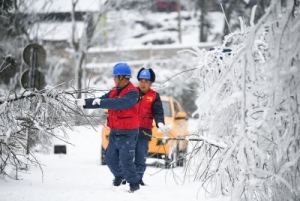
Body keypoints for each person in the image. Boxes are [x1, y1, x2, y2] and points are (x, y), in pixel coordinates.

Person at [75, 63, 140, 193]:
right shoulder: (113, 91)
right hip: (115, 132)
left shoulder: (133, 93)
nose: (114, 79)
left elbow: (119, 104)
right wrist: (85, 103)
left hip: (128, 133)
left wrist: (101, 103)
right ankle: (119, 176)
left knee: (126, 160)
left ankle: (134, 184)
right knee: (110, 159)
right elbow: (101, 100)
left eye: (115, 77)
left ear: (122, 77)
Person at [135, 67, 170, 185]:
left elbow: (158, 112)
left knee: (140, 156)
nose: (143, 84)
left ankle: (138, 178)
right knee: (127, 156)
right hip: (129, 130)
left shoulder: (154, 96)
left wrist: (159, 122)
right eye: (141, 81)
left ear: (150, 83)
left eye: (146, 81)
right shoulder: (131, 93)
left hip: (144, 131)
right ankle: (126, 177)